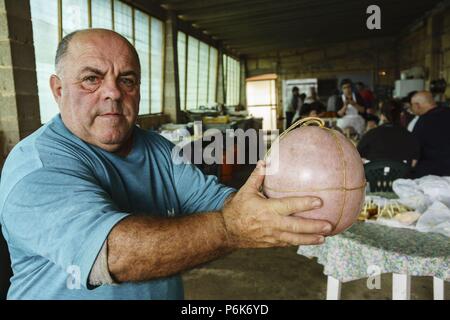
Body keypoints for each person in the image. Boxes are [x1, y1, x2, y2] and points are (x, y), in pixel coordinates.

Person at [0, 29, 332, 300]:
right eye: (92, 79)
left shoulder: (157, 148)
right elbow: (113, 256)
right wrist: (234, 228)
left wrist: (274, 204)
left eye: (127, 80)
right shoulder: (38, 166)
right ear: (58, 89)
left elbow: (215, 201)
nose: (113, 92)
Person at [357, 100, 420, 166]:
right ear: (401, 115)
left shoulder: (371, 134)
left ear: (382, 116)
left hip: (374, 174)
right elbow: (414, 162)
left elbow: (358, 155)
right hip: (402, 174)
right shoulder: (409, 135)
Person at [410, 91, 450, 177]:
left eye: (412, 105)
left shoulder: (422, 122)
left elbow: (414, 151)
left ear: (417, 105)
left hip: (432, 173)